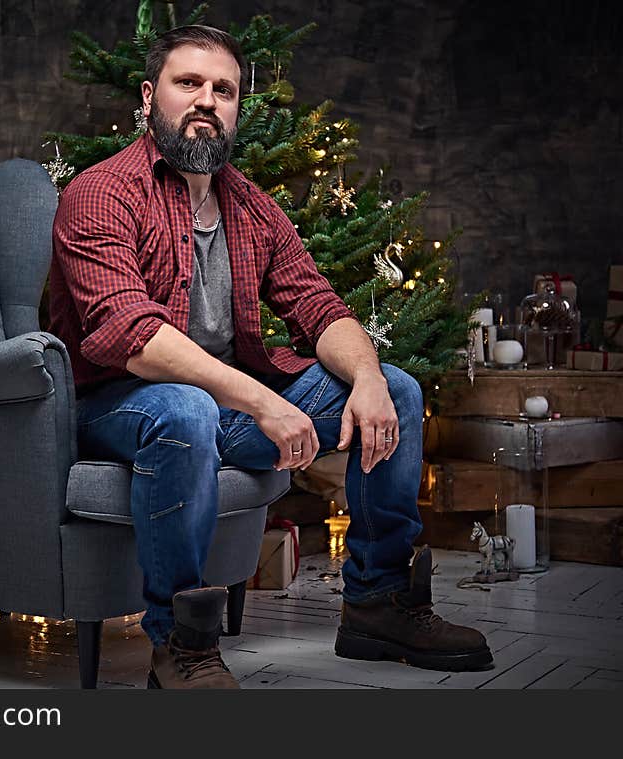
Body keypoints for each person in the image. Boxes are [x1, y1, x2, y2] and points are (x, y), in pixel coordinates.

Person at [48, 24, 493, 688]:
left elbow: (318, 304)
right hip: (121, 402)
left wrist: (367, 375)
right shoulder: (101, 193)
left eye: (223, 89)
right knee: (184, 408)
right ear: (148, 98)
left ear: (236, 110)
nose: (207, 100)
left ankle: (376, 601)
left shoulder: (250, 205)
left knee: (396, 389)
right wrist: (263, 402)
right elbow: (130, 335)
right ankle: (182, 645)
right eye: (188, 83)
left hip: (226, 406)